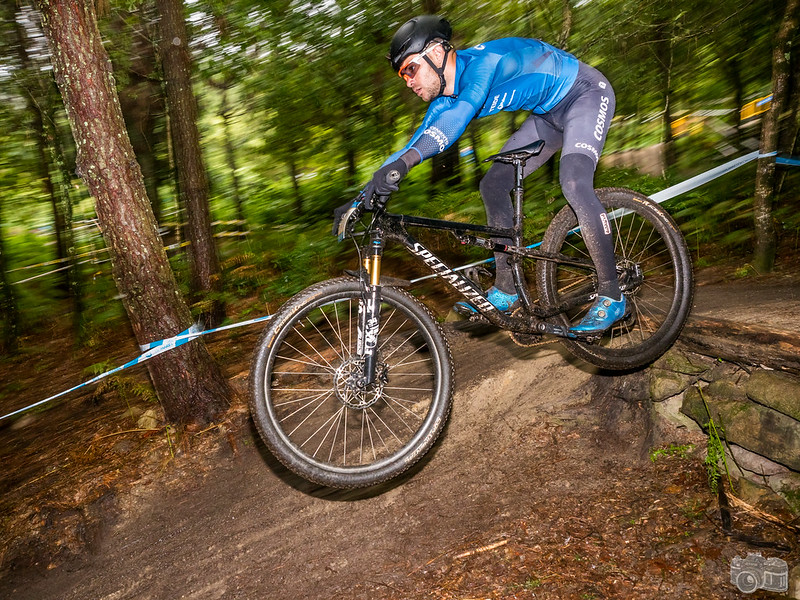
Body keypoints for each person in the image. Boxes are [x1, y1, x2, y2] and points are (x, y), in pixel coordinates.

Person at [335, 15, 627, 334]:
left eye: (409, 69)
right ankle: (506, 288)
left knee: (573, 182)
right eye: (402, 75)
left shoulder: (482, 65)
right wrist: (362, 195)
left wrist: (404, 164)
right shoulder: (445, 99)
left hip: (585, 93)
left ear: (435, 54)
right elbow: (414, 142)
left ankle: (612, 295)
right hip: (547, 116)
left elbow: (457, 120)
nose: (407, 81)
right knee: (493, 185)